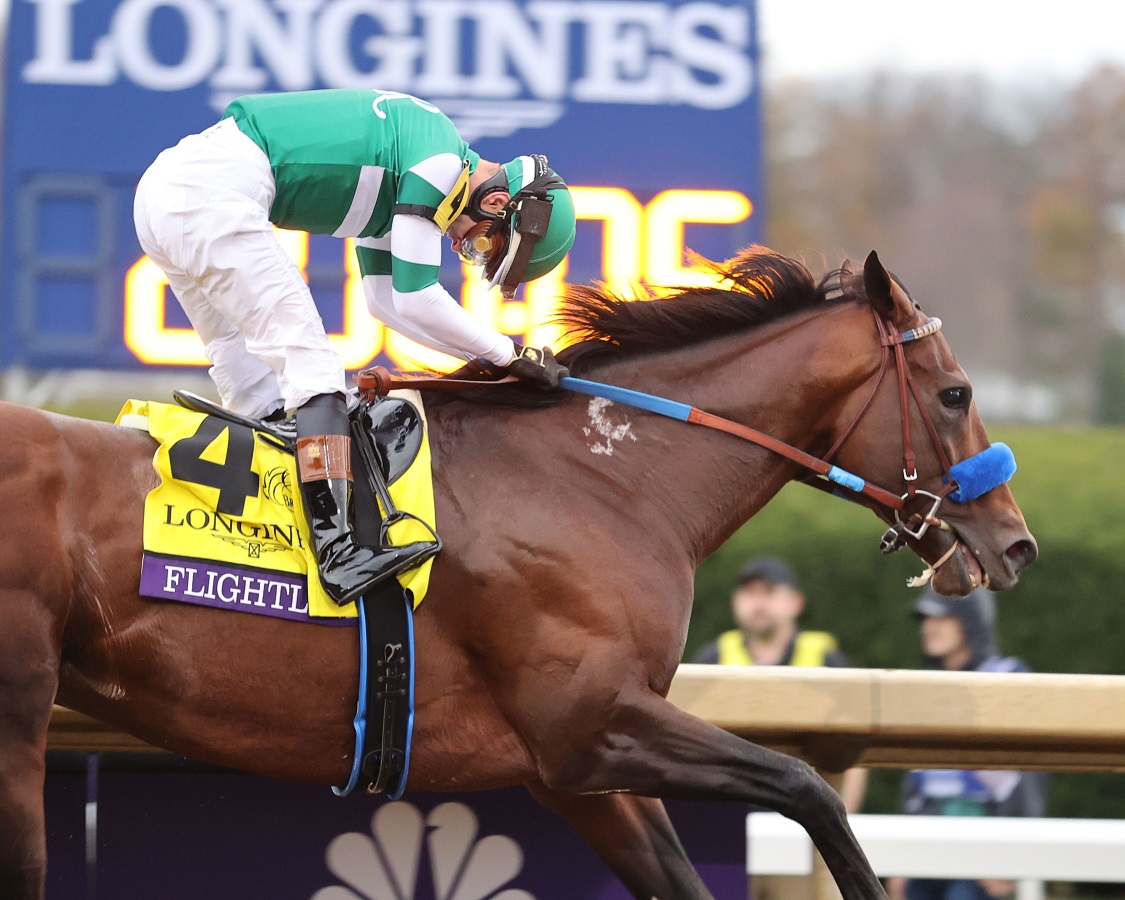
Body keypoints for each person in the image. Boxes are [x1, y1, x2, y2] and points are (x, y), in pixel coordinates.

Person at [133, 88, 577, 606]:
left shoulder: (415, 165)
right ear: (499, 203)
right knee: (315, 370)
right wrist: (509, 354)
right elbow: (414, 297)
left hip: (170, 194)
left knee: (259, 398)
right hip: (211, 193)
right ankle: (337, 553)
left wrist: (488, 358)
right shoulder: (439, 160)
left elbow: (385, 304)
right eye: (483, 243)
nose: (463, 248)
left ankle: (260, 544)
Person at [887, 587, 1047, 900]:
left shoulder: (1008, 679)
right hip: (928, 850)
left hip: (987, 851)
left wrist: (1014, 857)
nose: (929, 626)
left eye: (941, 616)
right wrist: (901, 858)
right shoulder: (925, 688)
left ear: (971, 620)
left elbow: (1030, 777)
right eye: (925, 618)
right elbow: (916, 782)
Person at [692, 556, 868, 812]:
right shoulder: (712, 659)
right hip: (729, 809)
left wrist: (842, 819)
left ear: (796, 602)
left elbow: (855, 749)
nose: (758, 604)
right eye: (749, 593)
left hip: (806, 808)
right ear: (735, 602)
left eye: (769, 592)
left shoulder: (825, 658)